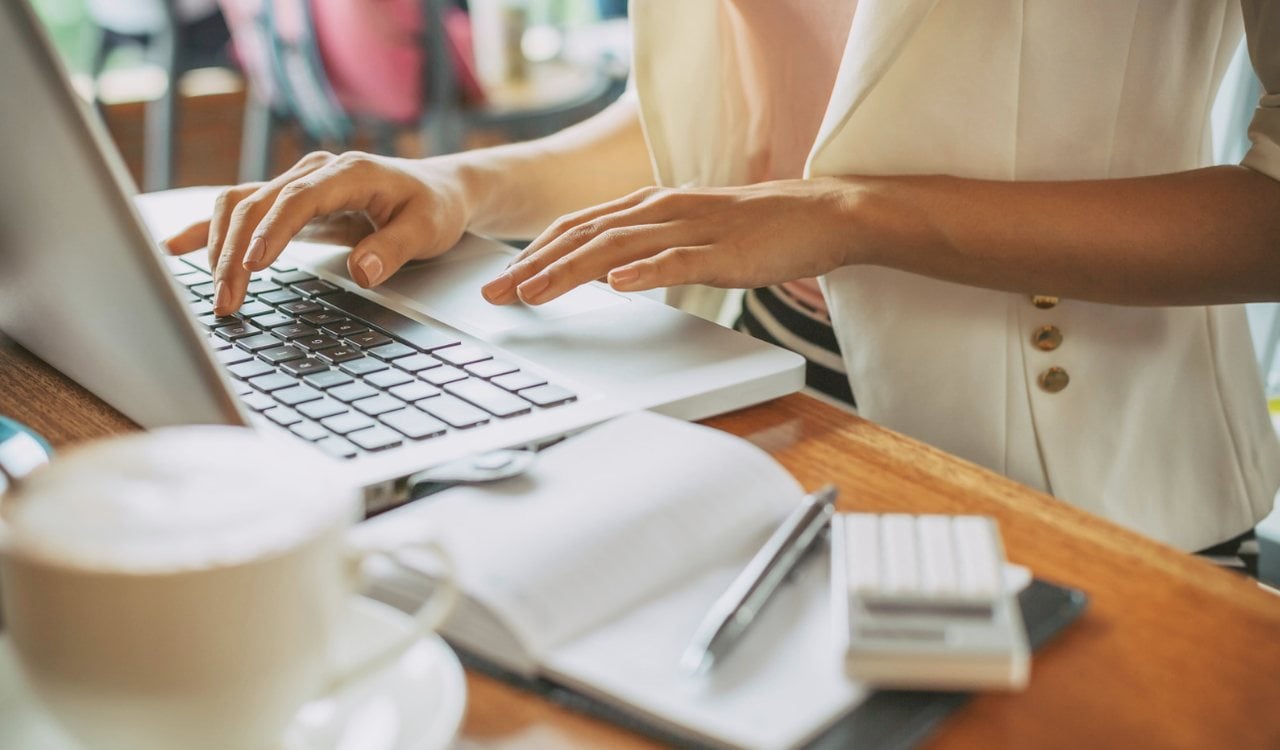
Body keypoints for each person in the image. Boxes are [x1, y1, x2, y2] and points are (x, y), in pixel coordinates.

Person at [166, 0, 1280, 554]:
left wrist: (853, 219)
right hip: (741, 408)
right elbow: (707, 137)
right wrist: (464, 185)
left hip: (1073, 485)